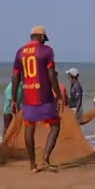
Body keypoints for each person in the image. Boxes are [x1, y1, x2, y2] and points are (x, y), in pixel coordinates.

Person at [11, 25, 64, 172]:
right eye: (44, 39)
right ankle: (45, 157)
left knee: (29, 127)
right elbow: (52, 74)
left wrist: (14, 99)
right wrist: (59, 96)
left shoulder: (20, 52)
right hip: (44, 97)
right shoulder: (47, 51)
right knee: (55, 126)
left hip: (28, 98)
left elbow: (15, 77)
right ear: (41, 37)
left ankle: (32, 165)